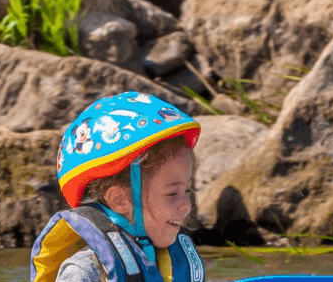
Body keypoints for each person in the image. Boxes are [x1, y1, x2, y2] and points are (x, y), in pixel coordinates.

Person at [29, 92, 205, 282]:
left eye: (187, 190)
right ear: (120, 200)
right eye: (172, 193)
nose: (186, 206)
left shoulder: (170, 260)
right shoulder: (85, 272)